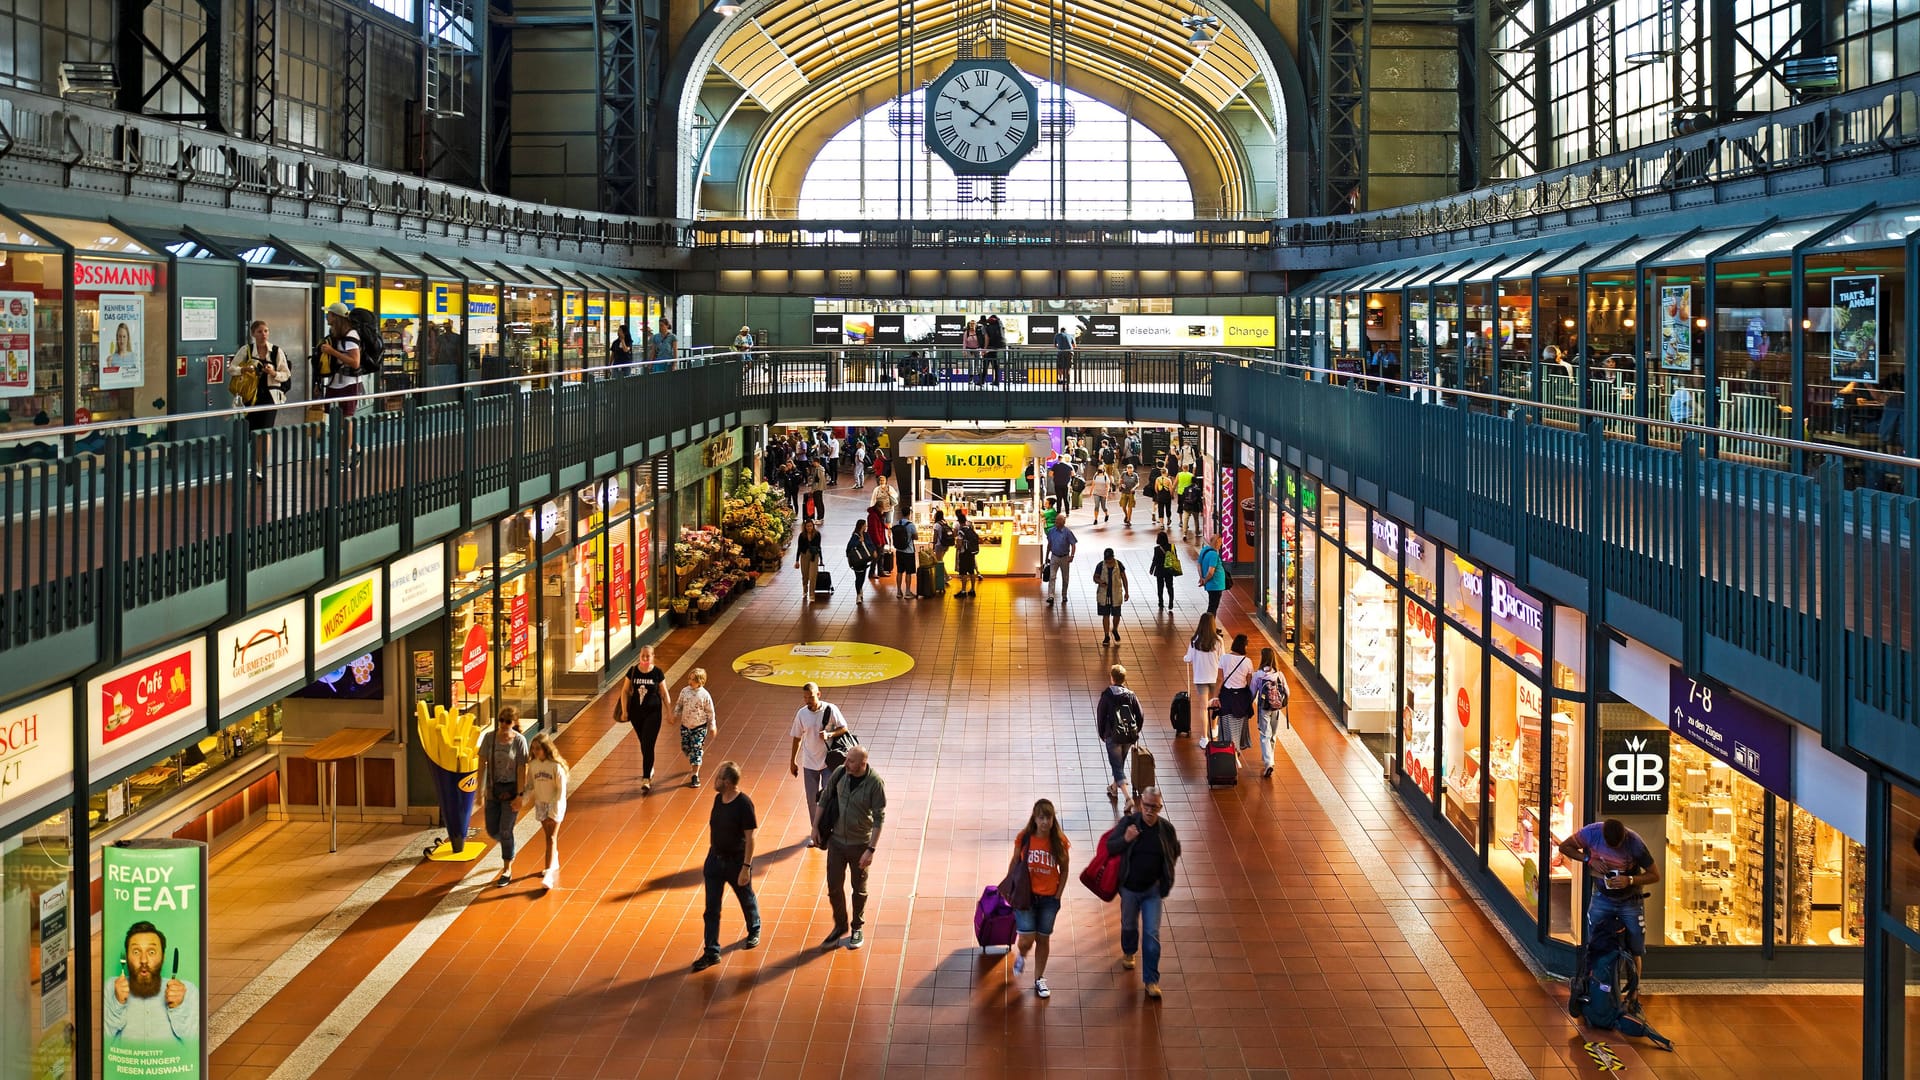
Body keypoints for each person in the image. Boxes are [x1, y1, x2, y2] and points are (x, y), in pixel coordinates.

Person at [684, 760, 762, 972]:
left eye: (719, 777)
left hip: (736, 862)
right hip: (714, 861)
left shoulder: (744, 804)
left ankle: (754, 928)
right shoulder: (718, 799)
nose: (715, 779)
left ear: (727, 782)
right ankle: (711, 951)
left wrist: (746, 867)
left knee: (745, 897)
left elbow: (750, 837)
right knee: (711, 909)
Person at [1107, 786, 1180, 998]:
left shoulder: (1166, 829)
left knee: (1151, 934)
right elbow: (1111, 847)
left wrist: (1164, 877)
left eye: (1154, 807)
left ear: (1160, 807)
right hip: (1129, 888)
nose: (1149, 810)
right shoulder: (1129, 824)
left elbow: (1173, 851)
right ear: (1140, 805)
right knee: (1129, 924)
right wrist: (1126, 839)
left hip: (1153, 891)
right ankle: (1129, 951)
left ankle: (1151, 980)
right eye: (1146, 805)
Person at [1559, 818, 1659, 964]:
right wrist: (1589, 859)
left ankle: (1635, 984)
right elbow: (1564, 847)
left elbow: (1655, 875)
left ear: (1625, 836)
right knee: (1593, 942)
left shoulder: (1635, 842)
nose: (1614, 850)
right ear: (1603, 835)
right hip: (1602, 897)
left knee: (1635, 950)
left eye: (1617, 847)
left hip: (1630, 900)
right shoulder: (1592, 832)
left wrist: (1630, 880)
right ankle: (1591, 980)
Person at [816, 745, 887, 950]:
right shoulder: (840, 773)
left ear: (863, 763)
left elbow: (879, 818)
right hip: (837, 842)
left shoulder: (875, 783)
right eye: (846, 760)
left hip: (860, 844)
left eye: (851, 761)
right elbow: (826, 796)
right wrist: (814, 827)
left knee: (859, 889)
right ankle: (840, 925)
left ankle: (857, 926)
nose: (846, 764)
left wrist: (871, 849)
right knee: (834, 886)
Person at [1010, 798, 1070, 999]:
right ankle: (1022, 954)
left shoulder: (1059, 841)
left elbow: (1065, 869)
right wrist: (1011, 886)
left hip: (1049, 899)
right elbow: (1015, 861)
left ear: (1053, 819)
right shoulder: (1024, 838)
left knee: (1043, 938)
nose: (1045, 822)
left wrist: (1058, 895)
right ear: (1034, 819)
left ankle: (1039, 978)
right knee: (1027, 938)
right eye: (1041, 817)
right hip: (1026, 896)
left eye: (1049, 817)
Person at [104, 921, 198, 1042]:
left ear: (163, 957)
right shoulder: (111, 988)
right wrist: (117, 1003)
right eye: (136, 952)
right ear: (127, 956)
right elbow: (103, 1043)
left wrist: (178, 1007)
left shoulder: (187, 991)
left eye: (151, 952)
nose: (144, 960)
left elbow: (195, 1046)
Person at [788, 682, 850, 848]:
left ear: (819, 694)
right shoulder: (801, 714)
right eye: (805, 697)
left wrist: (830, 733)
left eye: (811, 697)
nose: (808, 700)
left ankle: (831, 830)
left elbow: (844, 728)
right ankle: (815, 833)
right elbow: (797, 737)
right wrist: (792, 760)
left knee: (828, 797)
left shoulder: (830, 709)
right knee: (811, 799)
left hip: (828, 763)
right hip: (809, 764)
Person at [477, 707, 529, 887]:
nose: (504, 724)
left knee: (505, 830)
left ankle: (507, 868)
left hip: (512, 792)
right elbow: (482, 763)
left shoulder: (519, 741)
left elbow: (523, 768)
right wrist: (479, 791)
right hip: (493, 791)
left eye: (508, 721)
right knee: (492, 830)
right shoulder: (489, 739)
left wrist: (520, 795)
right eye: (501, 720)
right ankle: (509, 844)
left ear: (514, 722)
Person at [615, 646, 670, 792]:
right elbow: (625, 691)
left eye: (648, 656)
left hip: (653, 714)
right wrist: (625, 711)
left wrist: (670, 712)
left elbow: (664, 693)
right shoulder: (632, 671)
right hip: (636, 714)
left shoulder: (657, 673)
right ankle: (649, 766)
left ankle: (646, 778)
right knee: (644, 743)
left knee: (648, 743)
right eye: (642, 656)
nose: (645, 659)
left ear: (653, 656)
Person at [526, 732, 570, 888]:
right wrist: (521, 800)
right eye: (534, 749)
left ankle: (548, 874)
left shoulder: (556, 767)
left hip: (555, 805)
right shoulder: (532, 765)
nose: (536, 752)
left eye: (538, 748)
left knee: (551, 838)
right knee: (548, 837)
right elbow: (530, 785)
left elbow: (561, 790)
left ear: (546, 748)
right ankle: (554, 859)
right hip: (540, 804)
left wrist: (554, 808)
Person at [319, 301, 364, 455]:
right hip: (335, 383)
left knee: (346, 420)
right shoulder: (335, 333)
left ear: (336, 316)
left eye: (329, 314)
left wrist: (332, 352)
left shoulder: (350, 335)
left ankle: (344, 456)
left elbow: (355, 362)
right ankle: (352, 448)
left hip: (349, 383)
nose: (327, 317)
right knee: (336, 421)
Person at [1095, 664, 1144, 798]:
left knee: (1117, 766)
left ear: (1112, 678)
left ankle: (1127, 797)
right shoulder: (1131, 695)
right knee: (1119, 763)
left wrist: (1102, 733)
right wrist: (1135, 731)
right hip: (1128, 736)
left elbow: (1100, 715)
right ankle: (1113, 787)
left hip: (1113, 735)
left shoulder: (1107, 695)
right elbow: (1140, 714)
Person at [1248, 647, 1291, 779]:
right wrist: (1281, 702)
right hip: (1276, 709)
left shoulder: (1258, 675)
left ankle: (1268, 762)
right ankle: (1270, 758)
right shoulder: (1279, 674)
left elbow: (1252, 693)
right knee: (1273, 734)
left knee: (1265, 735)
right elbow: (1287, 692)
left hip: (1264, 708)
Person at [675, 667, 718, 787]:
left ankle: (695, 774)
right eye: (689, 678)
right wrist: (675, 714)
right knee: (685, 747)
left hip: (699, 727)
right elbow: (679, 704)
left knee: (696, 750)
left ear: (700, 681)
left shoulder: (704, 695)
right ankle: (692, 756)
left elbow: (710, 712)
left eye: (693, 679)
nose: (690, 681)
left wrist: (712, 726)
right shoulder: (685, 691)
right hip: (685, 726)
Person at [1212, 633, 1255, 753]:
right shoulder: (1247, 662)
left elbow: (1220, 679)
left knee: (1225, 726)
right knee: (1238, 726)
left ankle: (1228, 750)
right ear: (1244, 646)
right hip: (1241, 699)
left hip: (1226, 696)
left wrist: (1215, 696)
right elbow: (1249, 682)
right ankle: (1235, 749)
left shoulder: (1224, 658)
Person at [1184, 613, 1225, 733]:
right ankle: (1214, 728)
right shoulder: (1218, 641)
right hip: (1215, 677)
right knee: (1214, 704)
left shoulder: (1195, 640)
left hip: (1200, 678)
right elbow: (1222, 658)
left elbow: (1189, 658)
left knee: (1203, 707)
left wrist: (1185, 658)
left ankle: (1204, 737)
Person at [1092, 546, 1129, 647]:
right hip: (1104, 594)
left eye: (1110, 559)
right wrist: (1100, 581)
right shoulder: (1100, 565)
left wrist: (1126, 592)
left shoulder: (1119, 565)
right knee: (1106, 615)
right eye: (1107, 560)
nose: (1108, 561)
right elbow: (1095, 577)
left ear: (1113, 557)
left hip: (1116, 593)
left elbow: (1124, 578)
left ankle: (1115, 629)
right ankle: (1106, 635)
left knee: (1117, 615)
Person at [1044, 514, 1077, 605]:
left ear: (1063, 522)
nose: (1056, 523)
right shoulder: (1051, 531)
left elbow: (1073, 544)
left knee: (1065, 577)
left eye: (1058, 521)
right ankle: (1051, 596)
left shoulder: (1067, 532)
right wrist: (1047, 556)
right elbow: (1049, 544)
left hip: (1065, 557)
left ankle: (1064, 595)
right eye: (1056, 521)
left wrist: (1072, 555)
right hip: (1054, 556)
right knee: (1052, 576)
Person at [846, 520, 878, 602]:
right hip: (857, 560)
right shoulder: (855, 536)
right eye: (865, 525)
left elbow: (870, 543)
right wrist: (859, 542)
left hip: (864, 559)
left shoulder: (866, 535)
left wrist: (874, 550)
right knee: (858, 577)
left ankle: (860, 590)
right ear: (861, 526)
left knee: (862, 577)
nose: (866, 527)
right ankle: (858, 594)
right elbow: (850, 546)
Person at [1198, 532, 1230, 615]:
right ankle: (1209, 626)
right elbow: (1211, 572)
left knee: (1212, 606)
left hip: (1211, 585)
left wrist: (1201, 577)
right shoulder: (1214, 555)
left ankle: (1210, 625)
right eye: (1220, 542)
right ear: (1217, 542)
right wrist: (1205, 580)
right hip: (1215, 585)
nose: (1221, 544)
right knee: (1213, 607)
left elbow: (1199, 565)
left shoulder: (1204, 550)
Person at [890, 509, 918, 599]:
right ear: (909, 514)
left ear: (902, 513)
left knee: (899, 571)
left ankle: (898, 591)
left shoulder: (897, 523)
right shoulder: (911, 525)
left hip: (899, 551)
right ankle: (908, 592)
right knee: (908, 572)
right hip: (908, 551)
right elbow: (916, 537)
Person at [954, 509, 982, 598]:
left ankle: (963, 591)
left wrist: (957, 546)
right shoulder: (970, 528)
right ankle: (972, 590)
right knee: (971, 571)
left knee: (963, 573)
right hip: (971, 553)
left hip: (964, 553)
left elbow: (959, 544)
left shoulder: (961, 531)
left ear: (959, 521)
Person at [1151, 529, 1181, 610]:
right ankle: (1171, 602)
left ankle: (1161, 602)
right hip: (1169, 570)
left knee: (1160, 587)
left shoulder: (1157, 549)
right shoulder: (1172, 547)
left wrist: (1152, 568)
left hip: (1160, 571)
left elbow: (1155, 560)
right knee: (1170, 586)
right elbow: (1175, 557)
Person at [795, 519, 823, 598]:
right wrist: (797, 560)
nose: (809, 528)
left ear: (813, 526)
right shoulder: (802, 536)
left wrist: (821, 558)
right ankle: (805, 589)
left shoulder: (817, 534)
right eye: (807, 526)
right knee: (805, 574)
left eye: (810, 526)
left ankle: (812, 594)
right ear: (805, 527)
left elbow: (818, 547)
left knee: (813, 575)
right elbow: (799, 548)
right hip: (804, 555)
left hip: (814, 555)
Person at [930, 508, 954, 596]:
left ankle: (946, 577)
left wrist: (933, 545)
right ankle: (944, 577)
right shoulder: (944, 522)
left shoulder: (936, 525)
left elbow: (935, 536)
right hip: (946, 545)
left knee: (938, 562)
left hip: (939, 545)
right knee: (940, 561)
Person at [1118, 463, 1139, 527]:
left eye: (1131, 469)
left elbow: (1137, 483)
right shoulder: (1123, 474)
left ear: (1133, 469)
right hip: (1124, 492)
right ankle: (1126, 515)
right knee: (1123, 506)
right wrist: (1121, 485)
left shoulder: (1135, 475)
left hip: (1131, 493)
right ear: (1127, 469)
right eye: (1128, 469)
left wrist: (1134, 488)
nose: (1130, 470)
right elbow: (1120, 480)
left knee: (1130, 507)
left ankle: (1128, 520)